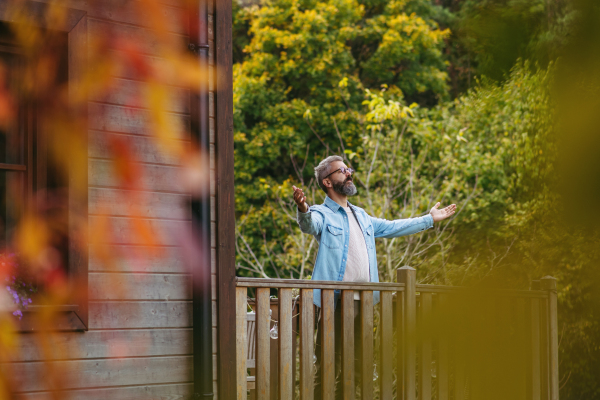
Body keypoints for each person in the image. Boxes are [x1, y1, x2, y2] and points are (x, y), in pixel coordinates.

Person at [293, 155, 456, 399]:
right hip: (333, 303)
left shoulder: (361, 216)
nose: (349, 173)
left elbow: (393, 227)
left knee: (358, 368)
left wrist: (429, 219)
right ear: (327, 182)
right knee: (329, 369)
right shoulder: (322, 213)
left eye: (348, 169)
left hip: (365, 304)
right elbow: (309, 224)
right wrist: (303, 208)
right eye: (342, 171)